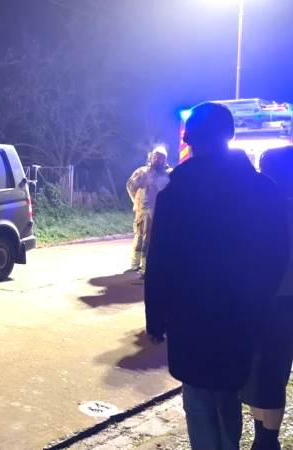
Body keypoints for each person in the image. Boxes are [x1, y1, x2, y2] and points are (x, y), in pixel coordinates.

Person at [144, 101, 289, 450]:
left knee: (197, 398)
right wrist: (258, 302)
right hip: (239, 315)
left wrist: (156, 318)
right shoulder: (263, 189)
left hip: (189, 315)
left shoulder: (176, 193)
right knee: (228, 392)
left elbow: (160, 259)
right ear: (230, 136)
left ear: (190, 140)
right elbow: (276, 255)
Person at [241, 145, 293, 450]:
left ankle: (265, 439)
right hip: (278, 301)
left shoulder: (261, 211)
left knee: (265, 371)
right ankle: (264, 436)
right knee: (270, 372)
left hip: (271, 301)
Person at [126, 147, 172, 278]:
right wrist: (137, 202)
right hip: (147, 212)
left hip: (164, 213)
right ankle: (145, 268)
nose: (158, 160)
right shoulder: (143, 172)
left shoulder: (170, 174)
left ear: (165, 160)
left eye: (161, 157)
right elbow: (131, 187)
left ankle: (161, 266)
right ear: (151, 158)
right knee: (146, 239)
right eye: (155, 157)